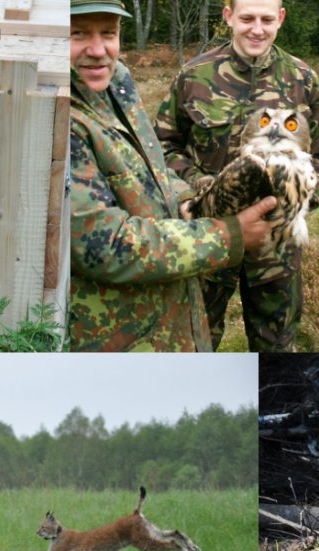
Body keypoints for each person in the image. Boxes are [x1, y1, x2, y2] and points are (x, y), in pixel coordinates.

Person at [69, 0, 278, 352]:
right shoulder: (62, 119)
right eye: (78, 34)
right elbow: (105, 246)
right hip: (118, 339)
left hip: (169, 321)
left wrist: (185, 198)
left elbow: (150, 165)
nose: (98, 50)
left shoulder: (115, 84)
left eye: (109, 33)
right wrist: (229, 236)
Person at [155, 0, 319, 351]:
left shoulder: (302, 78)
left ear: (281, 19)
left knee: (276, 344)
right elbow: (163, 146)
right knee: (195, 340)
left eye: (267, 19)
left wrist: (296, 199)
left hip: (276, 241)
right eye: (247, 18)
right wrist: (195, 191)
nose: (257, 29)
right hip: (210, 233)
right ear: (228, 17)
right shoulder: (194, 76)